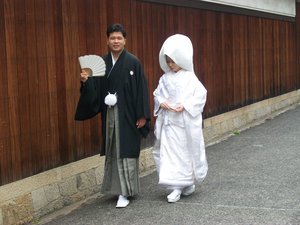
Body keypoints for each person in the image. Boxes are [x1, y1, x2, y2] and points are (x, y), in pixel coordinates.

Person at [75, 23, 151, 208]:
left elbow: (141, 89)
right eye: (112, 38)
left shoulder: (133, 62)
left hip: (129, 114)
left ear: (125, 40)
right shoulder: (102, 62)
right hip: (110, 115)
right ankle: (118, 190)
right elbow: (94, 90)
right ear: (107, 40)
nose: (116, 41)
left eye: (119, 38)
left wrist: (142, 115)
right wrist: (86, 82)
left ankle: (126, 191)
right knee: (114, 149)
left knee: (127, 149)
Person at [152, 34, 208, 203]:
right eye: (168, 61)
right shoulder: (165, 78)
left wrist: (185, 105)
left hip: (184, 123)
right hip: (169, 123)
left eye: (173, 61)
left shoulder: (190, 77)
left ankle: (187, 183)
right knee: (170, 154)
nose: (170, 65)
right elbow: (157, 94)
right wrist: (162, 103)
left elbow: (201, 94)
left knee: (185, 154)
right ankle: (175, 186)